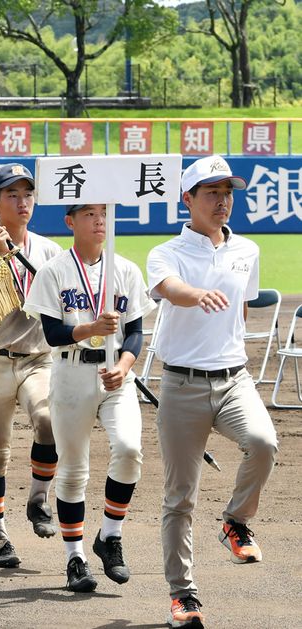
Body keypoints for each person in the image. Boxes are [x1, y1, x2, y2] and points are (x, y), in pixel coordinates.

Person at [146, 155, 278, 628]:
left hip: (234, 378)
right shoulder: (166, 252)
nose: (223, 201)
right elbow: (170, 288)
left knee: (264, 443)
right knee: (179, 497)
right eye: (211, 192)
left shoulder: (247, 250)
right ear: (188, 200)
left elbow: (239, 310)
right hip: (181, 385)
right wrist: (195, 294)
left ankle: (235, 520)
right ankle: (183, 597)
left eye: (228, 192)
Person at [23, 202, 155, 593]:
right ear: (71, 221)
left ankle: (109, 536)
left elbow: (135, 332)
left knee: (130, 450)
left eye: (104, 214)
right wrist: (91, 328)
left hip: (116, 375)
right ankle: (75, 558)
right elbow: (52, 334)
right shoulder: (54, 271)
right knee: (74, 470)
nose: (99, 221)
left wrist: (126, 365)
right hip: (71, 373)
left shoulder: (126, 269)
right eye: (89, 214)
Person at [0, 164, 62, 566]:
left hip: (39, 358)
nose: (23, 203)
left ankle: (39, 499)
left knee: (48, 420)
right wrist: (4, 258)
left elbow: (49, 305)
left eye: (28, 195)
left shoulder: (51, 251)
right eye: (12, 196)